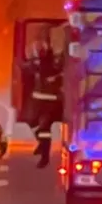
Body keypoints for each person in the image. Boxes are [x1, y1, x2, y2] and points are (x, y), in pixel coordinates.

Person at [26, 40, 63, 169]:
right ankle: (42, 144)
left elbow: (60, 74)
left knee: (44, 128)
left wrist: (56, 77)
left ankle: (45, 156)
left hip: (50, 102)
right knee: (32, 122)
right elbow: (31, 68)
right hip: (38, 100)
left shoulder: (54, 66)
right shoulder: (39, 64)